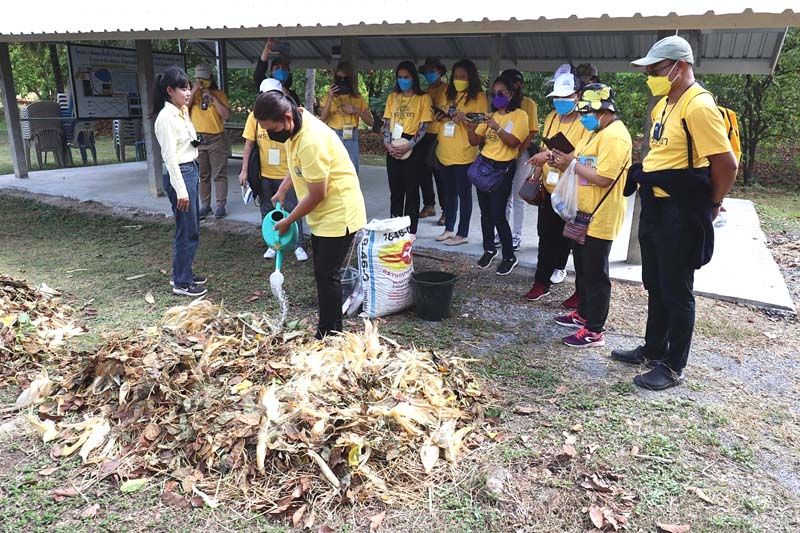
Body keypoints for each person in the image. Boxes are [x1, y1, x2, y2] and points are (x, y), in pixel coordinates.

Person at [615, 36, 737, 390]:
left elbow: (725, 164)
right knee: (654, 282)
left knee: (676, 289)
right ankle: (653, 348)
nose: (650, 76)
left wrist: (710, 205)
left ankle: (672, 365)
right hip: (656, 205)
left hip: (680, 212)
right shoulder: (665, 103)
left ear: (679, 67)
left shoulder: (698, 106)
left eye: (655, 70)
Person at [253, 90, 367, 339]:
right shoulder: (298, 121)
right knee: (323, 273)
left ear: (286, 117)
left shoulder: (310, 140)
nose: (272, 134)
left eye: (272, 129)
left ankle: (330, 334)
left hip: (339, 214)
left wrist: (288, 221)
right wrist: (284, 188)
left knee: (327, 275)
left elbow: (318, 194)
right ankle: (329, 329)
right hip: (323, 215)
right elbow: (297, 165)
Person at [547, 84, 632, 348]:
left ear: (605, 110)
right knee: (583, 269)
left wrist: (571, 165)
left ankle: (595, 329)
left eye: (589, 111)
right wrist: (561, 159)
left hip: (601, 214)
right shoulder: (596, 131)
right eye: (583, 110)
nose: (585, 116)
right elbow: (579, 158)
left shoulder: (615, 137)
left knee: (596, 273)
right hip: (583, 212)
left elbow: (604, 178)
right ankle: (583, 313)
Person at [524, 71, 591, 305]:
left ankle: (580, 290)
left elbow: (585, 153)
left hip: (573, 190)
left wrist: (549, 155)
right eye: (557, 97)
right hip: (550, 186)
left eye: (567, 96)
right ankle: (541, 281)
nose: (560, 101)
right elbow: (546, 143)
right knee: (546, 234)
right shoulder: (552, 116)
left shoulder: (585, 121)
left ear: (578, 95)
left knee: (574, 240)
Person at [152, 66, 207, 297]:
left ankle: (183, 272)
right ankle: (182, 282)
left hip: (190, 169)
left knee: (192, 227)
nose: (187, 92)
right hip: (181, 174)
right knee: (186, 230)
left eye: (188, 87)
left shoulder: (181, 112)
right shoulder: (166, 117)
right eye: (182, 88)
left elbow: (187, 143)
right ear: (169, 90)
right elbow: (170, 157)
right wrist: (181, 190)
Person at [239, 78, 308, 263]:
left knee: (294, 208)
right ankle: (273, 243)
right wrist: (244, 170)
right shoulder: (255, 117)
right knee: (267, 209)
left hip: (287, 173)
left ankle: (298, 244)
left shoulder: (292, 120)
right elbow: (249, 144)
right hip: (265, 174)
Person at [466, 74, 529, 276]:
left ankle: (509, 255)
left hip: (502, 169)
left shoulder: (520, 115)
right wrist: (468, 126)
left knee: (498, 214)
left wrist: (497, 127)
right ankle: (489, 249)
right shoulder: (490, 115)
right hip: (484, 164)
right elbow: (475, 140)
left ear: (510, 94)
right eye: (493, 93)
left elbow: (514, 143)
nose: (496, 97)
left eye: (500, 93)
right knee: (485, 213)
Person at [433, 59, 488, 246]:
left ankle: (462, 232)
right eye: (455, 76)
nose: (458, 80)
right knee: (448, 193)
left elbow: (480, 123)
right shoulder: (447, 94)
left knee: (464, 194)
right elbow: (440, 113)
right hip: (444, 151)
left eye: (462, 77)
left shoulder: (478, 97)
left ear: (470, 78)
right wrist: (439, 115)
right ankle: (449, 228)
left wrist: (464, 119)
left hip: (464, 153)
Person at [382, 61, 433, 235]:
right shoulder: (392, 97)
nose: (403, 80)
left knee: (411, 192)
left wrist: (409, 146)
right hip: (393, 145)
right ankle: (394, 230)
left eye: (406, 77)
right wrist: (387, 143)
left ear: (413, 78)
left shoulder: (423, 98)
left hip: (413, 147)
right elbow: (387, 122)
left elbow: (424, 126)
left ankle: (410, 232)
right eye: (400, 77)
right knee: (396, 192)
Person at [500, 69, 539, 251]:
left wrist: (518, 152)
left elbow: (531, 132)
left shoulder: (528, 104)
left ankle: (516, 235)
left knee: (518, 196)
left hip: (520, 153)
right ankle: (502, 233)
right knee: (504, 195)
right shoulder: (503, 103)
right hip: (502, 153)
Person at [189, 63, 231, 219]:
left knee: (219, 174)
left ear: (210, 78)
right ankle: (205, 205)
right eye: (198, 79)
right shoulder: (192, 96)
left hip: (216, 139)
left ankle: (221, 206)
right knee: (203, 175)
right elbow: (183, 111)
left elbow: (226, 115)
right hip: (198, 139)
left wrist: (213, 98)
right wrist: (193, 92)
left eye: (204, 79)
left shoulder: (219, 94)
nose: (201, 82)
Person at [320, 61, 373, 175]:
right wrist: (330, 97)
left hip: (351, 135)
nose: (342, 81)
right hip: (334, 133)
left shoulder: (358, 98)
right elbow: (322, 119)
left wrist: (356, 110)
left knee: (351, 168)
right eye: (340, 78)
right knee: (333, 168)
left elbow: (371, 122)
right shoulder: (328, 97)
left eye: (345, 78)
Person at [417, 57, 449, 223]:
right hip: (425, 133)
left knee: (439, 173)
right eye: (427, 71)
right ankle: (429, 205)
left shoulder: (447, 89)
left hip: (440, 134)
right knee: (423, 172)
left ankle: (446, 211)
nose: (429, 74)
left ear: (440, 72)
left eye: (432, 71)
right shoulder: (426, 91)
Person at [253, 39, 301, 104]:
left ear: (288, 72)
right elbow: (258, 74)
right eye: (277, 68)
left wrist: (287, 96)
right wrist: (266, 50)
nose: (280, 70)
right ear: (272, 72)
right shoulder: (266, 89)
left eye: (284, 68)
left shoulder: (293, 96)